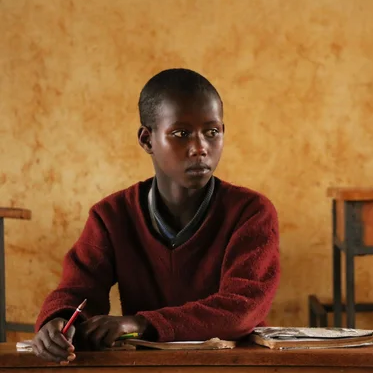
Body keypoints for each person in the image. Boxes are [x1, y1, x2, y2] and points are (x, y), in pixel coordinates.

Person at [31, 68, 280, 364]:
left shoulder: (251, 212)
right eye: (181, 133)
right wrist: (57, 322)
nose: (200, 148)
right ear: (147, 139)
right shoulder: (111, 216)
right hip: (147, 367)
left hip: (230, 367)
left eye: (212, 132)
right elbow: (77, 290)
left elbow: (243, 308)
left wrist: (140, 324)